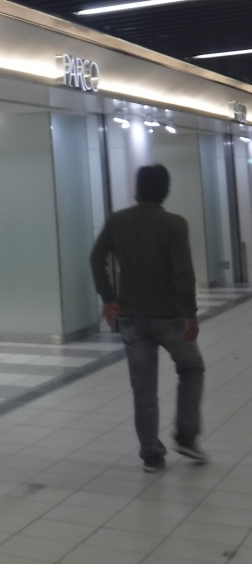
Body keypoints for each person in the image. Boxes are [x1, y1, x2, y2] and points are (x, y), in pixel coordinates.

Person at [91, 164, 206, 472]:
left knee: (143, 388)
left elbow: (96, 257)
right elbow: (183, 273)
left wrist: (109, 299)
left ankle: (151, 455)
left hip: (131, 318)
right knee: (192, 369)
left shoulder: (118, 221)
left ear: (137, 189)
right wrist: (190, 314)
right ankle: (186, 437)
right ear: (165, 191)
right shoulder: (174, 224)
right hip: (170, 318)